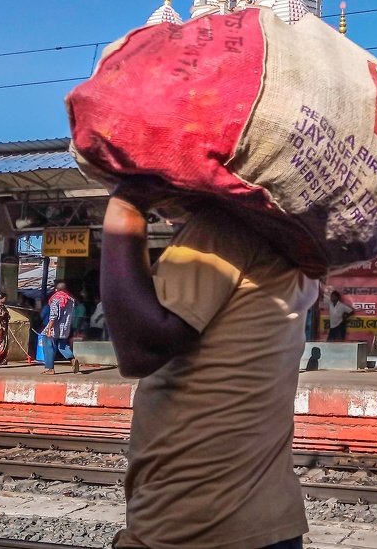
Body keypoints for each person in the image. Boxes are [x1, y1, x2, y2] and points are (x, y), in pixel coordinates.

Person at [101, 179, 316, 549]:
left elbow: (141, 349)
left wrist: (125, 208)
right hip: (267, 519)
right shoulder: (287, 244)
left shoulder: (221, 228)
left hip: (196, 521)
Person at [43, 282, 78, 375]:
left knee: (48, 345)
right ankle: (72, 359)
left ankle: (50, 369)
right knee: (62, 345)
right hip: (65, 328)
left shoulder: (55, 299)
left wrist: (49, 329)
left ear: (55, 290)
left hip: (55, 327)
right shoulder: (70, 300)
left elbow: (53, 315)